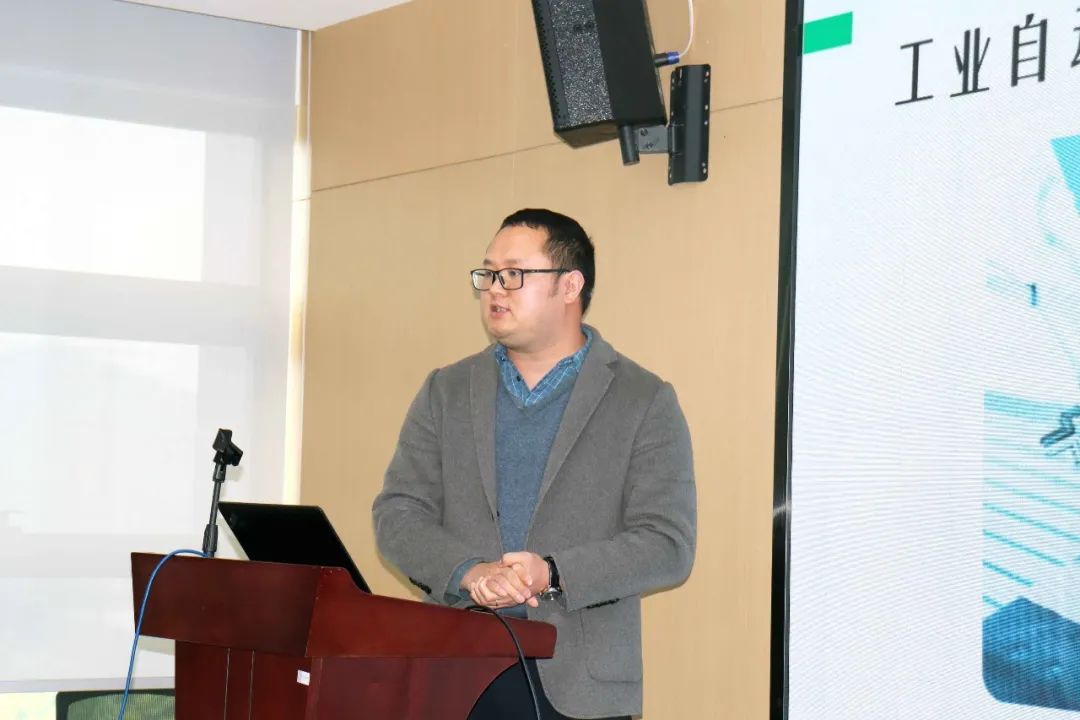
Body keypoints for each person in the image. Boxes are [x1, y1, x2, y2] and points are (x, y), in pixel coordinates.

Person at [372, 208, 696, 720]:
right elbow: (398, 515)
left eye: (514, 274)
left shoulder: (643, 399)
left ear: (570, 285)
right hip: (455, 674)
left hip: (581, 686)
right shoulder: (446, 390)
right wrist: (467, 571)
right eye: (488, 274)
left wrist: (553, 573)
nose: (494, 290)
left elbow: (667, 544)